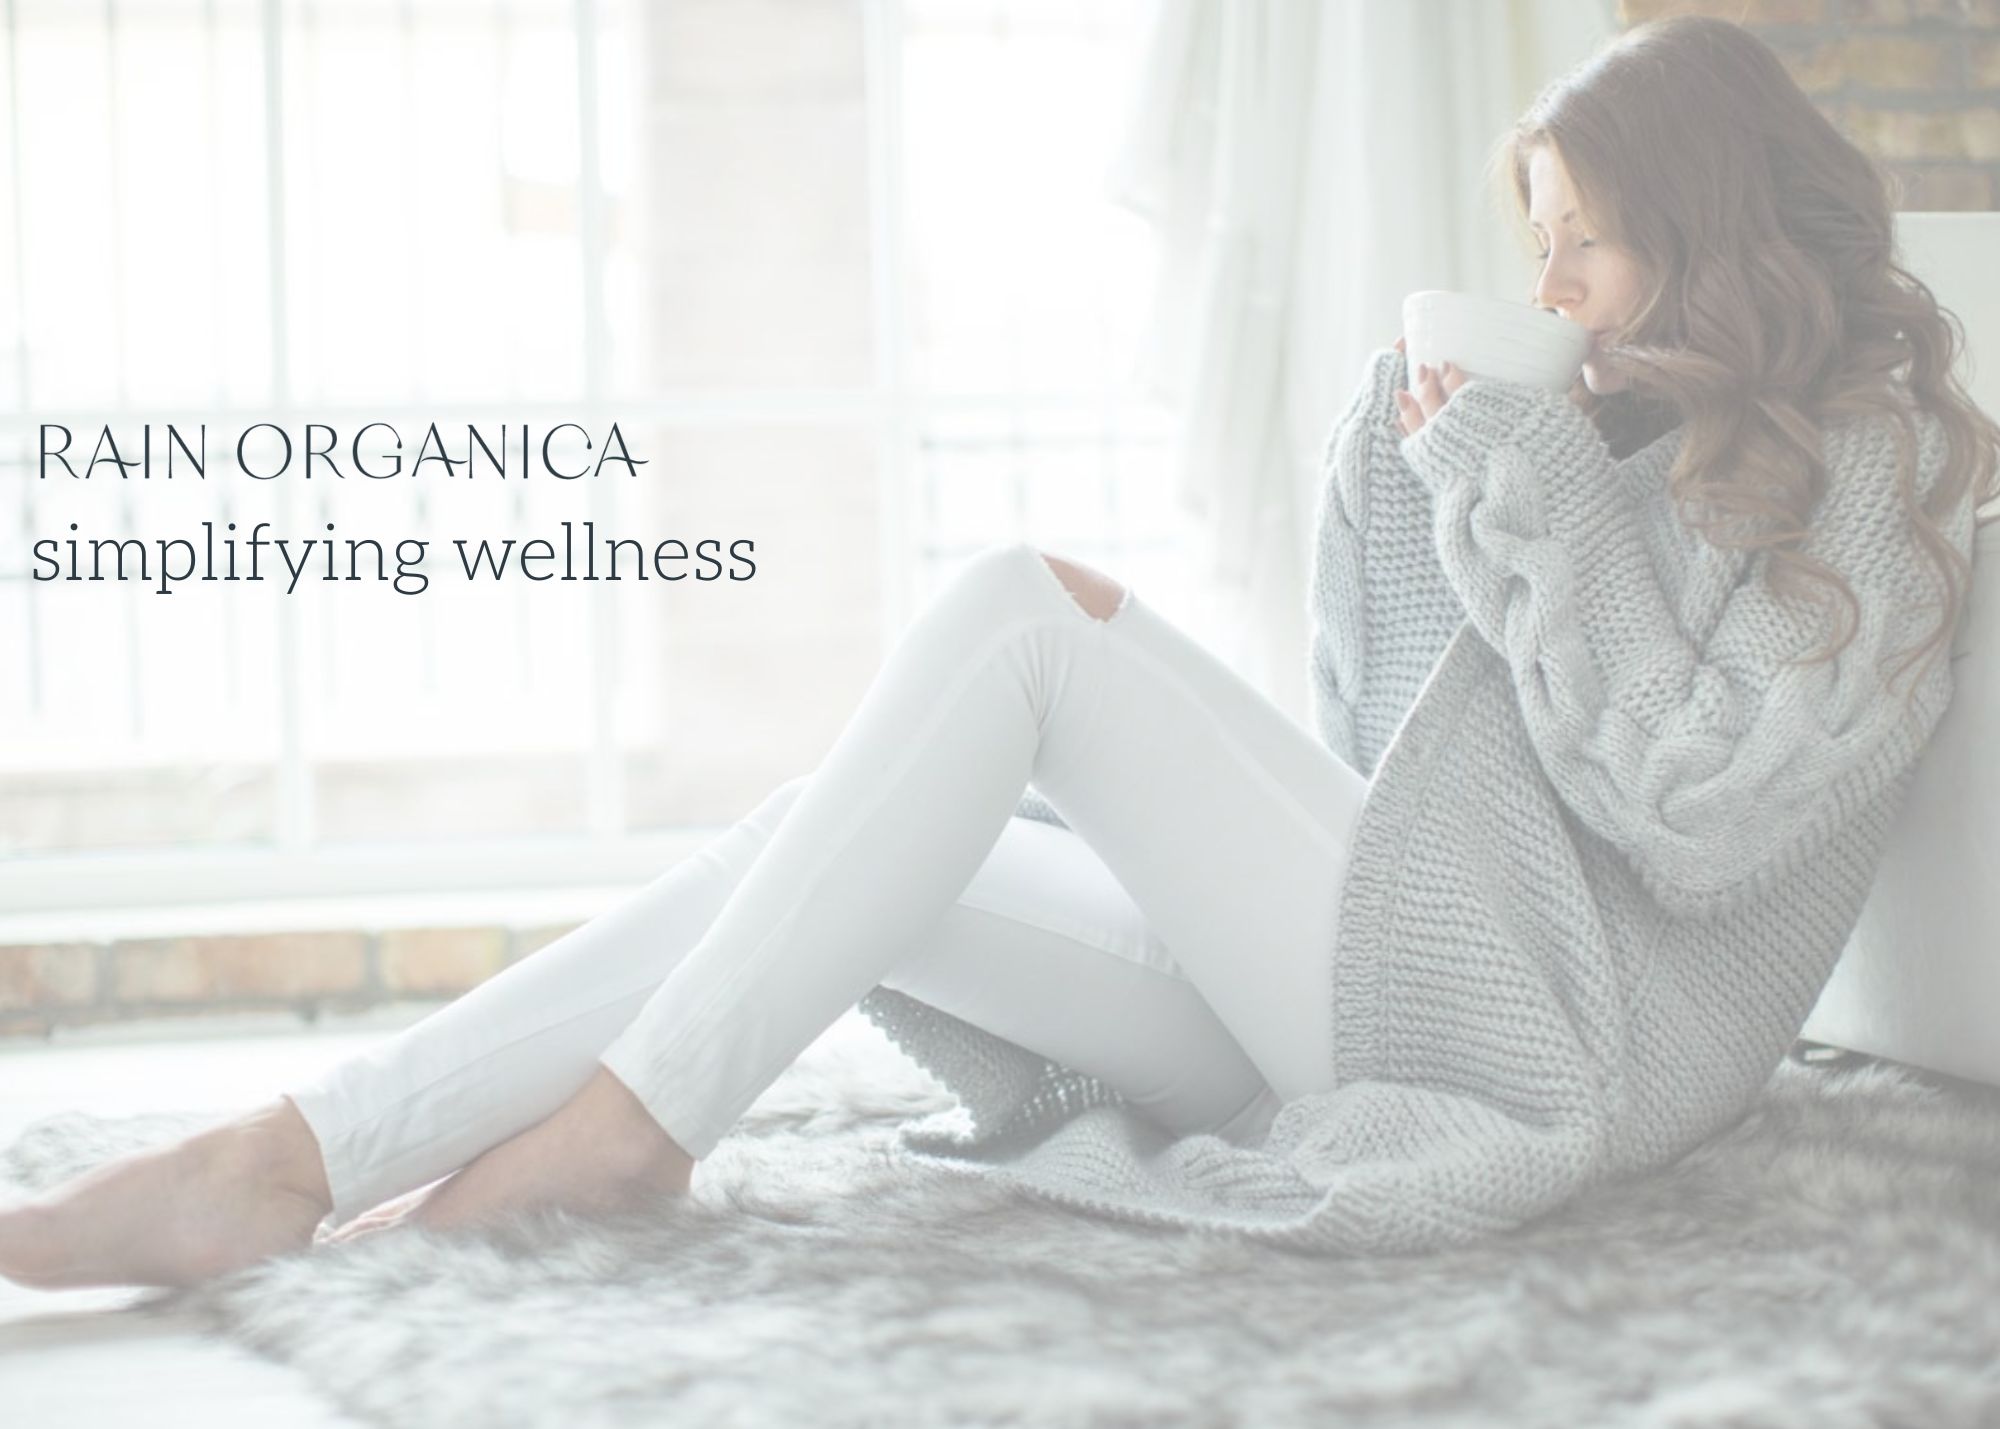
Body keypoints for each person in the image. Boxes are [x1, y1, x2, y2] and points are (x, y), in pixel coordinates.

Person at [3, 13, 1996, 1287]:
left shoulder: (1887, 476)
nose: (1547, 280)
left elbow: (1692, 820)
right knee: (831, 829)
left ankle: (627, 1126)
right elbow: (1389, 746)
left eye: (1582, 236)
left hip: (1546, 1054)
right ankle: (285, 1152)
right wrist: (1412, 482)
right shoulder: (1615, 429)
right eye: (1536, 235)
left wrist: (1537, 484)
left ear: (1711, 216)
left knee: (1019, 617)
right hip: (1411, 982)